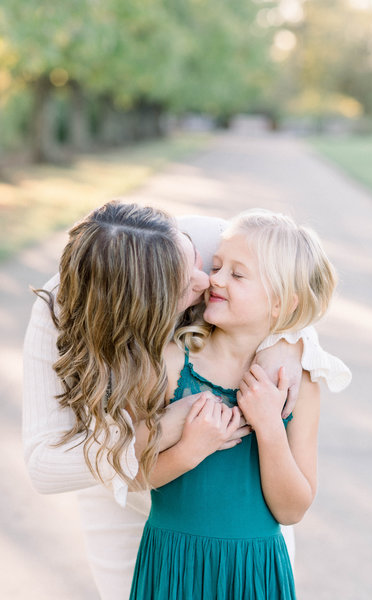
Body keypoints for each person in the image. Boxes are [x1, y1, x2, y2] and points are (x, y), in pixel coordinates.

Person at [23, 204, 351, 600]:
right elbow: (71, 466)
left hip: (251, 555)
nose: (209, 279)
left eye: (203, 262)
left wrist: (293, 341)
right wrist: (170, 432)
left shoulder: (221, 243)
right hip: (156, 535)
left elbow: (288, 290)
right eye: (188, 279)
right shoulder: (156, 358)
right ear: (144, 303)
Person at [130, 209, 343, 599]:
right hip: (176, 565)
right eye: (216, 265)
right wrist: (189, 451)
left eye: (237, 274)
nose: (215, 278)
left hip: (253, 572)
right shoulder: (172, 361)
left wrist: (268, 426)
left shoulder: (297, 384)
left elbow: (292, 511)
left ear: (280, 303)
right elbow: (133, 473)